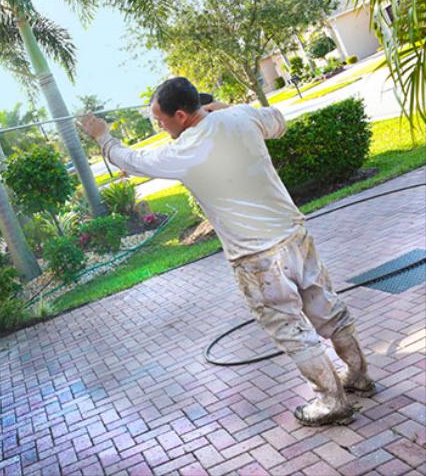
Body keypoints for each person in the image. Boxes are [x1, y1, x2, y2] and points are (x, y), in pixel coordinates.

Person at [78, 77, 376, 426]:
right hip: (294, 236)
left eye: (161, 120)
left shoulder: (182, 151)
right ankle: (358, 376)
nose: (159, 126)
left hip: (255, 259)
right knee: (326, 307)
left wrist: (102, 136)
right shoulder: (240, 117)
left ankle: (331, 401)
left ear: (181, 116)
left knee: (290, 327)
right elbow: (277, 121)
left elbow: (131, 159)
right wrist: (227, 111)